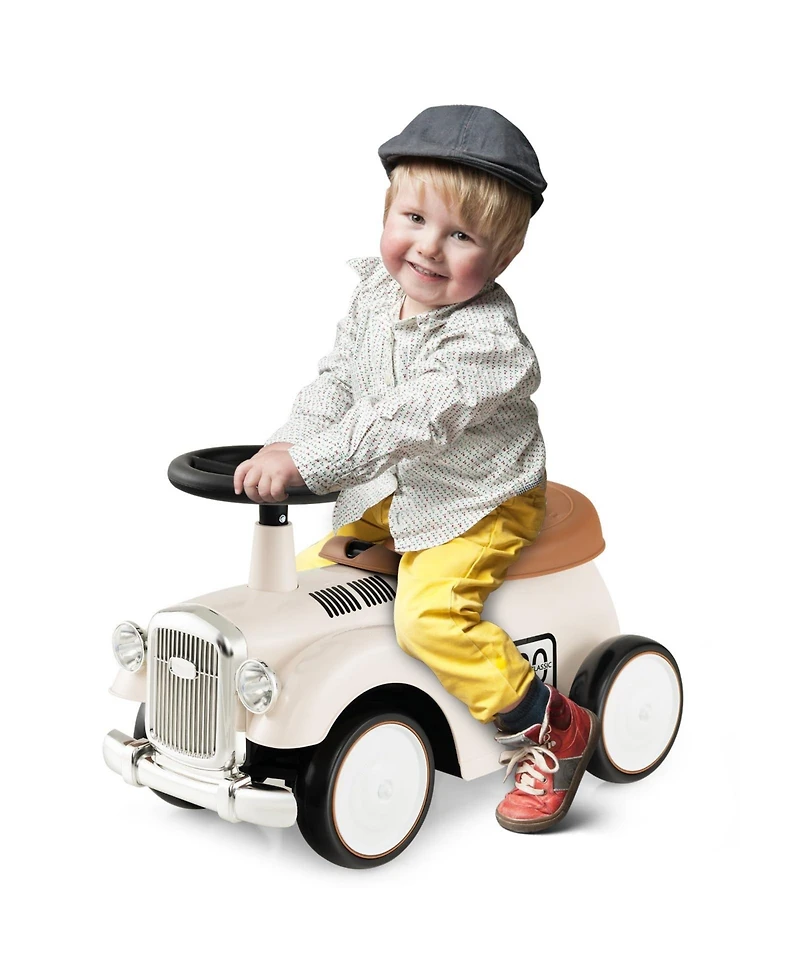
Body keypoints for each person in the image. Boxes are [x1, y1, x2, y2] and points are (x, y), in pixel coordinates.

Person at [233, 105, 599, 833]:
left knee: (429, 618)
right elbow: (339, 380)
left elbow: (408, 415)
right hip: (400, 488)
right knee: (308, 583)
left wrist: (315, 460)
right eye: (413, 218)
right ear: (387, 211)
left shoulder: (486, 342)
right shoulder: (375, 295)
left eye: (461, 235)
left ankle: (549, 727)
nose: (429, 249)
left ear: (503, 255)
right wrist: (284, 446)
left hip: (477, 499)